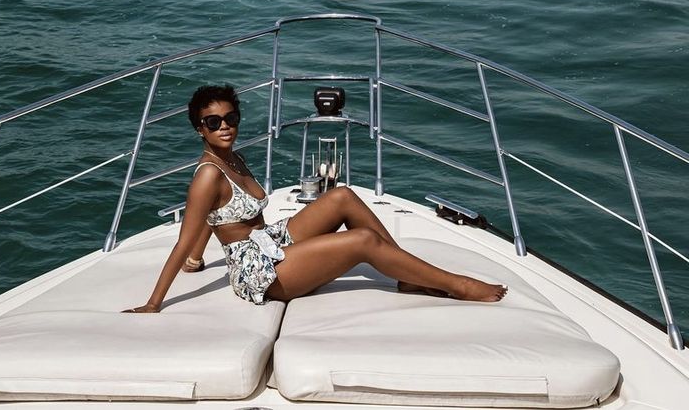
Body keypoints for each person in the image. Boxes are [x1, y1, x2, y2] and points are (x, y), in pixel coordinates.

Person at [125, 84, 507, 312]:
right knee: (361, 241)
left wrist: (198, 260)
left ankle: (406, 276)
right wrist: (155, 302)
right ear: (199, 129)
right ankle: (457, 285)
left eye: (231, 117)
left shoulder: (230, 157)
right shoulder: (208, 174)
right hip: (258, 272)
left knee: (341, 196)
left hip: (270, 241)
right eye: (213, 122)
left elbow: (215, 219)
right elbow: (184, 237)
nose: (225, 126)